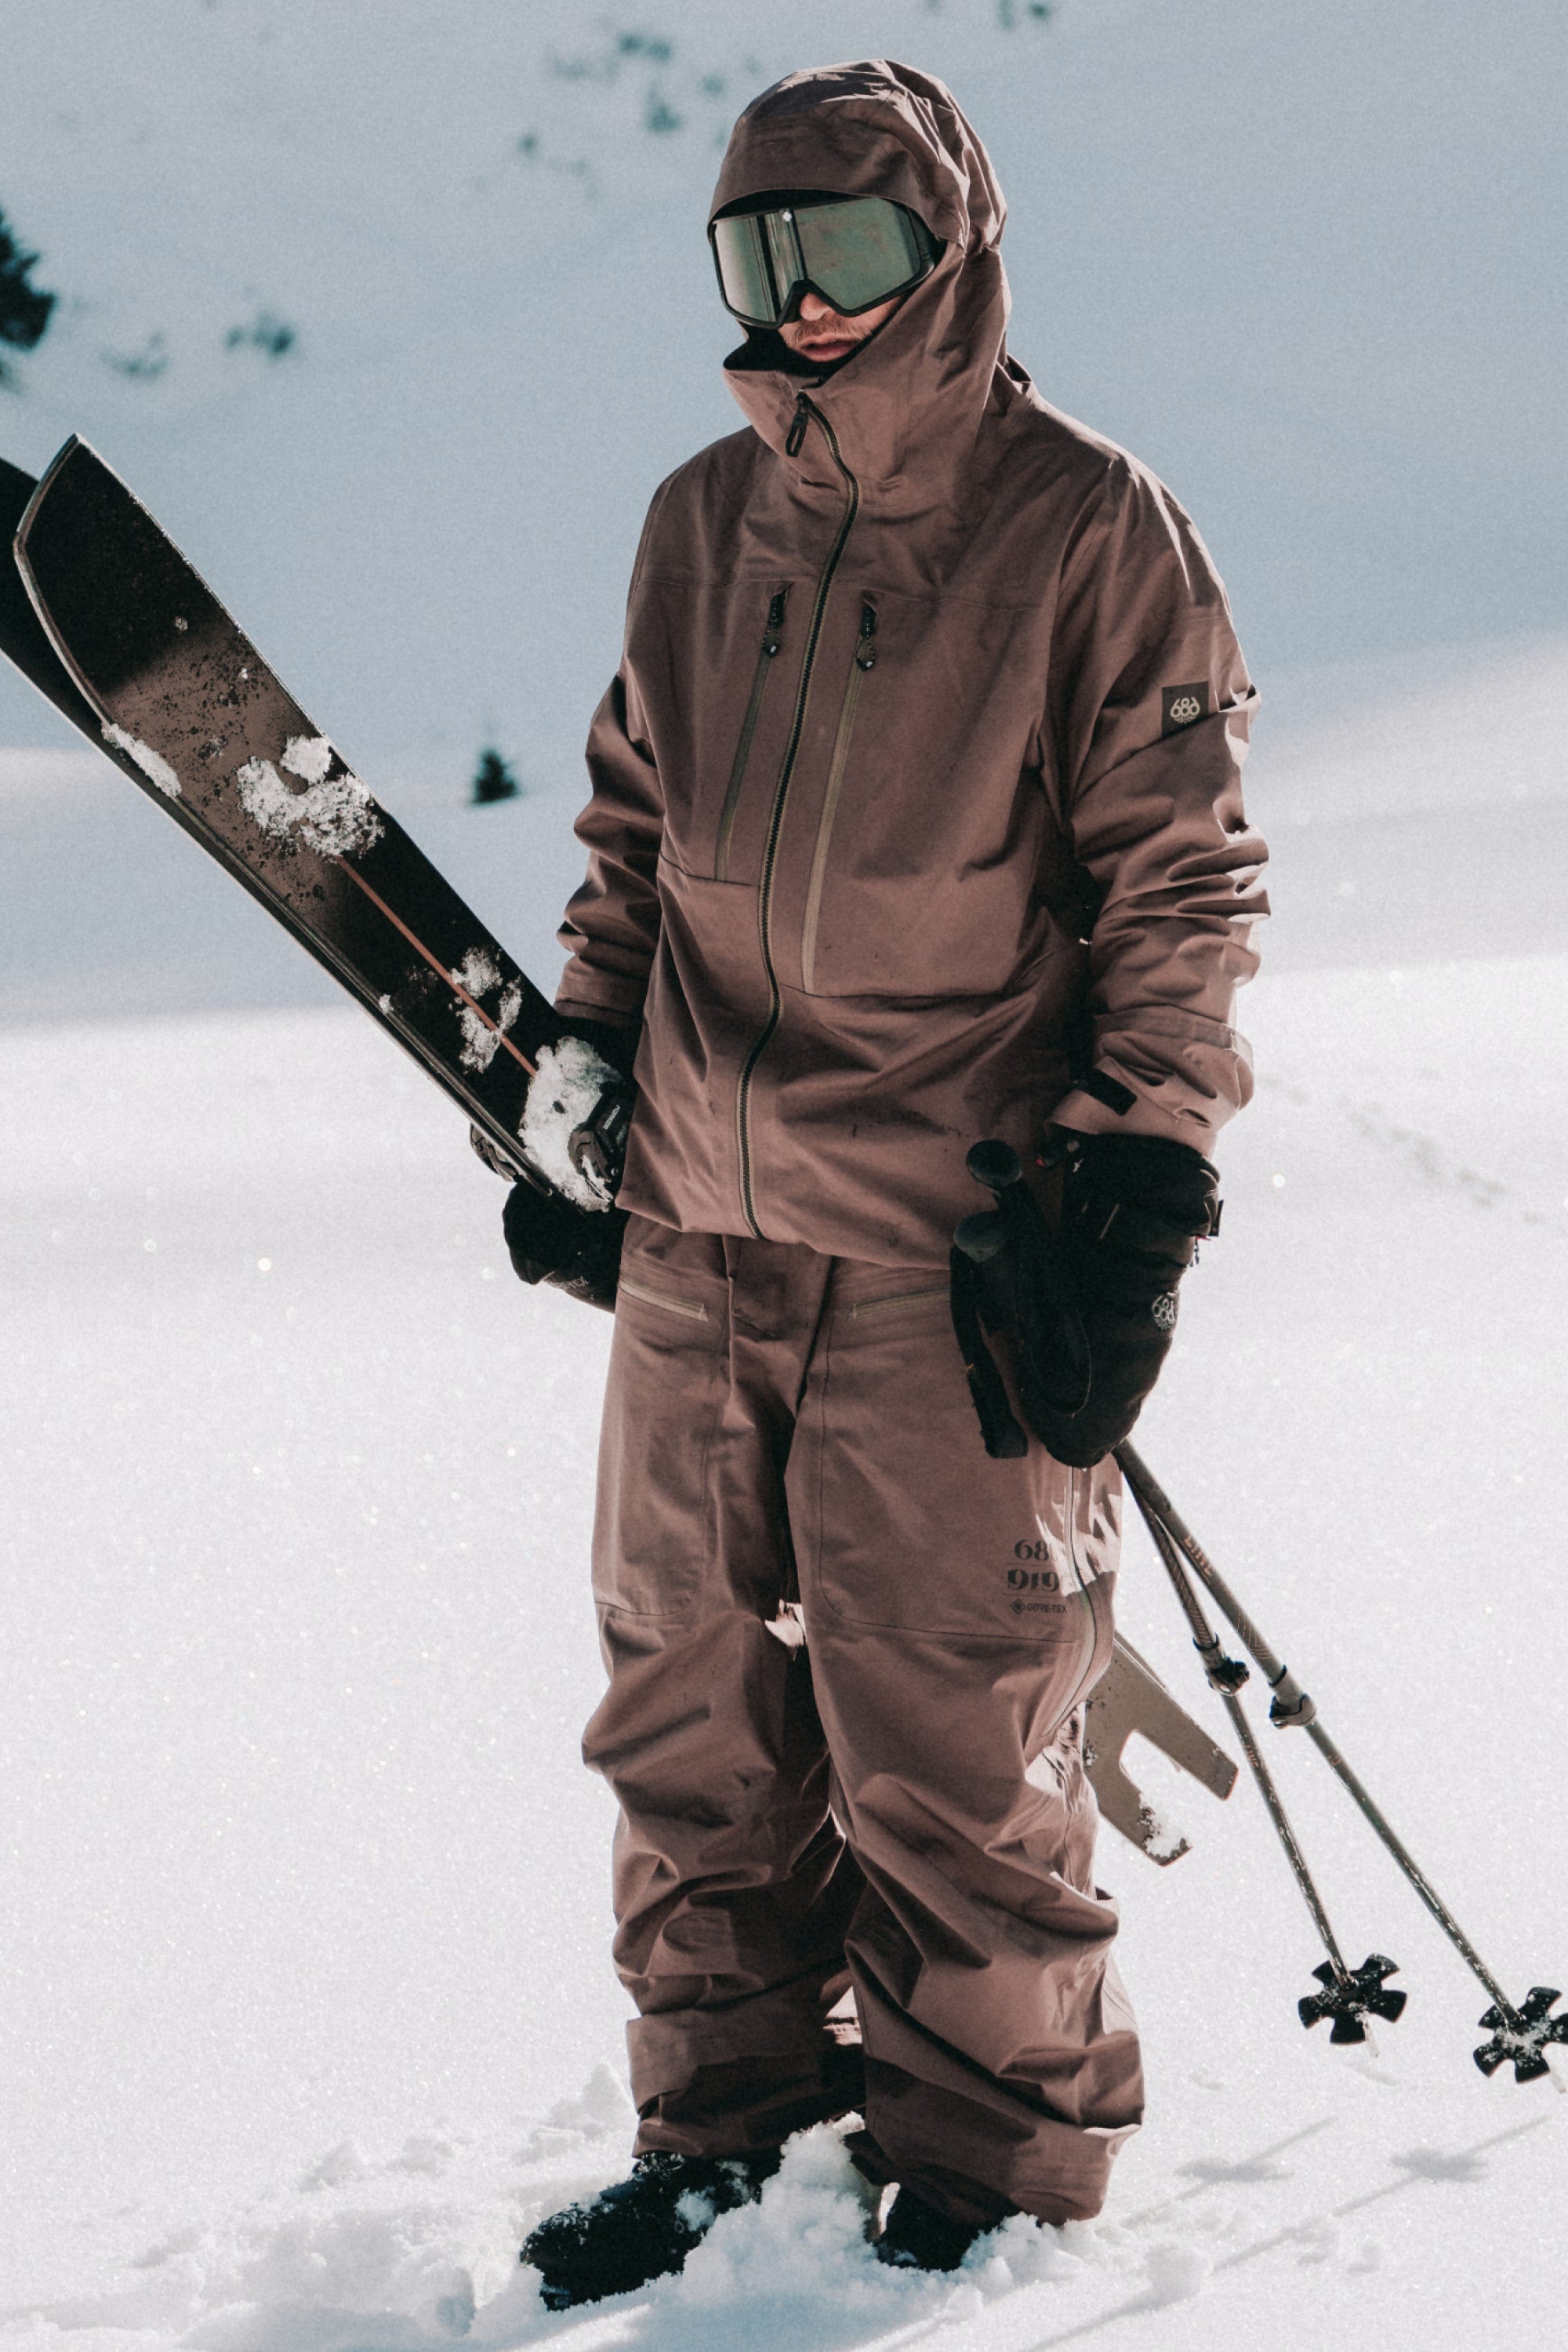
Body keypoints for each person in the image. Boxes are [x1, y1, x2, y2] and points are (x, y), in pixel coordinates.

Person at [503, 59, 1267, 2308]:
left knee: (950, 1730)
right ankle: (723, 2132)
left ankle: (987, 2175)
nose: (803, 300)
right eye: (759, 256)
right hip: (699, 1235)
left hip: (953, 1246)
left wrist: (1141, 1185)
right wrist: (583, 1069)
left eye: (842, 247)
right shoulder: (697, 521)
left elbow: (1182, 883)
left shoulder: (1087, 527)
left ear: (950, 250)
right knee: (684, 1721)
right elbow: (632, 839)